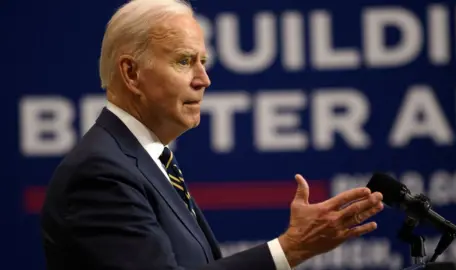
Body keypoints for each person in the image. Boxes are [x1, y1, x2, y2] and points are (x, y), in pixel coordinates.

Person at [40, 0, 384, 269]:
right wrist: (289, 249)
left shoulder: (145, 161)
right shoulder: (101, 172)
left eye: (203, 61)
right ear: (131, 73)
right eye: (184, 61)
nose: (204, 79)